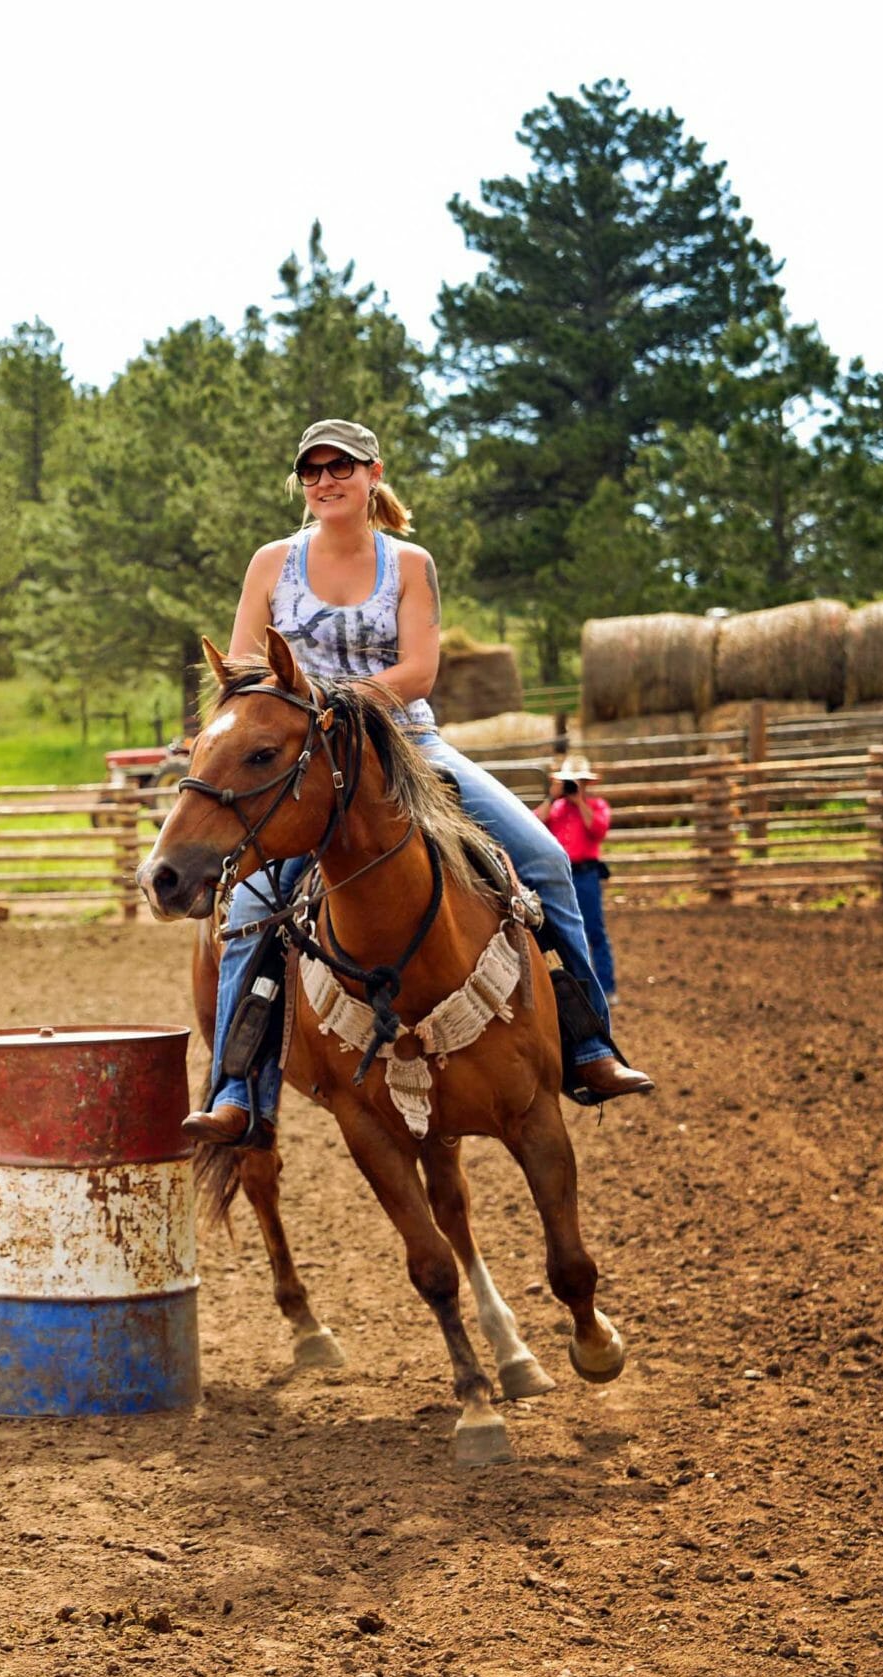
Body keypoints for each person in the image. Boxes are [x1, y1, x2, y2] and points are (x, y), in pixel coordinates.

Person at [183, 419, 653, 1148]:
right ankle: (239, 1089)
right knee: (246, 909)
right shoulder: (271, 562)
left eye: (342, 466)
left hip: (409, 747)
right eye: (313, 471)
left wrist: (333, 707)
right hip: (299, 762)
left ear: (373, 475)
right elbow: (246, 669)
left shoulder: (409, 563)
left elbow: (417, 673)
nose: (326, 480)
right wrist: (286, 725)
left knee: (545, 859)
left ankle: (591, 1045)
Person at [539, 755, 616, 1002]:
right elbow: (533, 824)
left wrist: (579, 802)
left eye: (578, 782)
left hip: (586, 875)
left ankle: (605, 988)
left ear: (586, 784)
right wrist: (552, 797)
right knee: (561, 932)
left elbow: (598, 830)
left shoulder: (597, 806)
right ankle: (573, 990)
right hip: (561, 875)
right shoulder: (556, 809)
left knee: (594, 931)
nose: (574, 786)